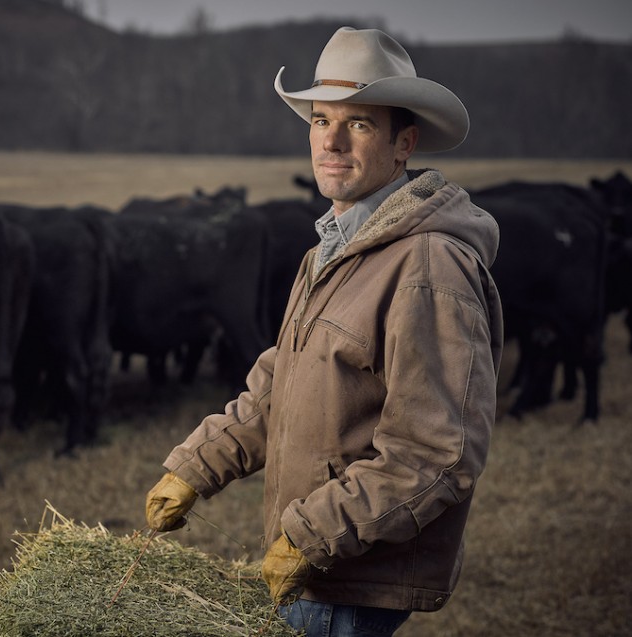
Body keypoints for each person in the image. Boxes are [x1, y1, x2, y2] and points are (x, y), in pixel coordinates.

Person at [145, 26, 504, 637]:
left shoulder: (428, 266)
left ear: (403, 143)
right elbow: (284, 382)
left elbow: (436, 454)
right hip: (320, 573)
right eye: (319, 121)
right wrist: (196, 466)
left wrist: (310, 537)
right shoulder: (332, 251)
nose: (331, 141)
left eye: (359, 124)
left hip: (349, 582)